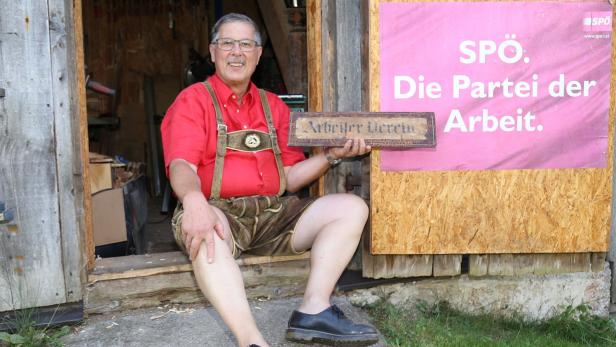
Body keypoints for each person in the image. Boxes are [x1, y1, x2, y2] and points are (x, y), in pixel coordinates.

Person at [161, 13, 378, 347]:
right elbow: (181, 166)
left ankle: (313, 310)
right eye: (228, 43)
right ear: (213, 51)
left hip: (272, 214)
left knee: (351, 208)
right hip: (220, 212)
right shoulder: (193, 101)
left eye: (246, 44)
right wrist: (193, 203)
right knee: (205, 233)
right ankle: (251, 340)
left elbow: (291, 179)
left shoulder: (273, 107)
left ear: (258, 55)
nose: (237, 52)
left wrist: (332, 156)